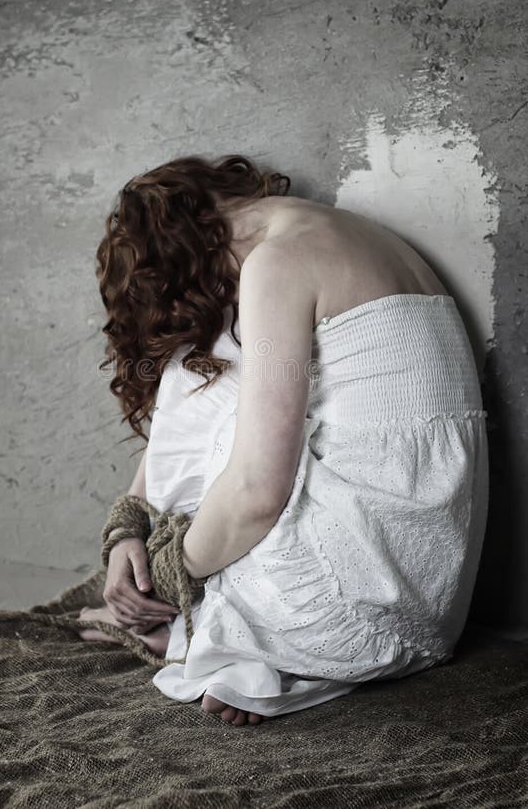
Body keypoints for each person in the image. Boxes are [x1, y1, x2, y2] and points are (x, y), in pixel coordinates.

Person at [78, 154, 489, 727]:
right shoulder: (348, 232)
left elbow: (255, 493)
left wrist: (171, 573)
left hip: (353, 613)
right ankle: (149, 553)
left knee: (197, 363)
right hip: (432, 604)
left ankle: (174, 608)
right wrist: (131, 525)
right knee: (214, 358)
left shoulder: (277, 263)